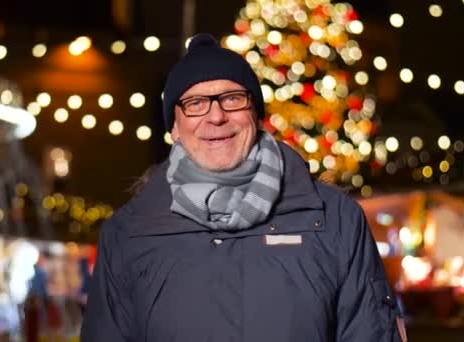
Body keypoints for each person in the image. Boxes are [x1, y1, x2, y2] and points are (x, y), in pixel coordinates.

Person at [81, 33, 405, 342]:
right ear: (175, 128)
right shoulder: (128, 235)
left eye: (232, 98)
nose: (217, 116)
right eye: (195, 103)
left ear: (256, 114)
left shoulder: (335, 221)